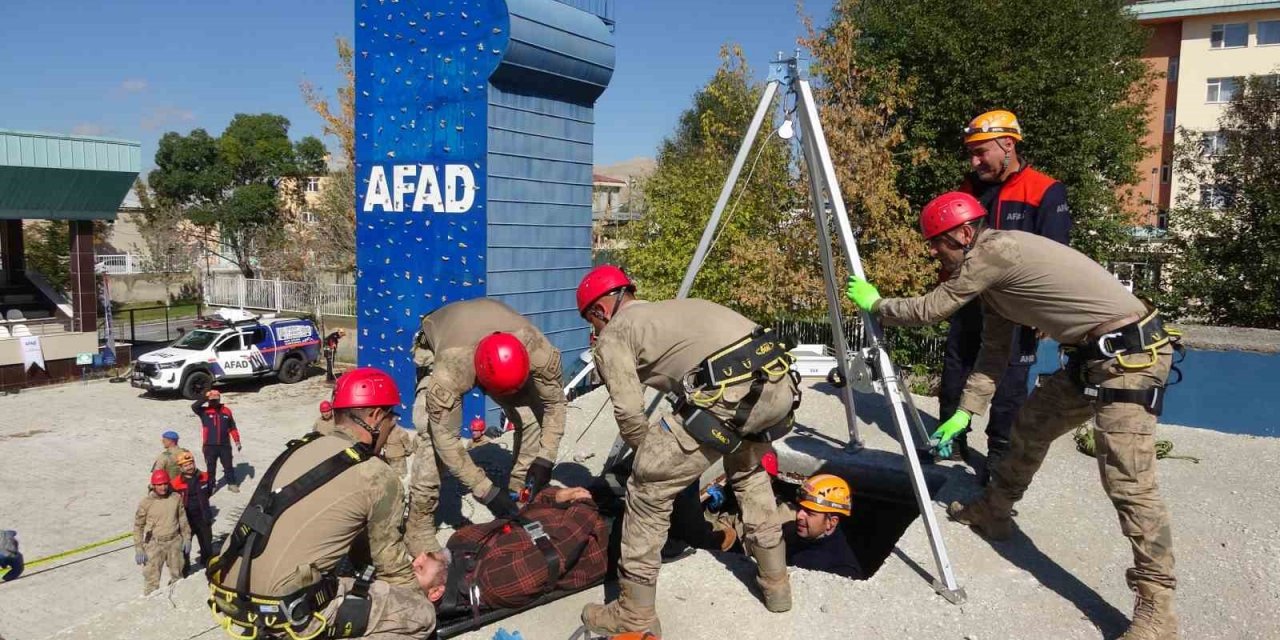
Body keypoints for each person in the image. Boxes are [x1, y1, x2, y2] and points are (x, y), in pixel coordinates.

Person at [846, 191, 1182, 639]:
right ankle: (994, 511)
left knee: (1128, 479)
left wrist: (876, 305)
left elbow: (930, 309)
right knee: (1030, 427)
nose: (933, 252)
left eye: (938, 242)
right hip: (1091, 359)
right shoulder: (996, 281)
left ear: (966, 233)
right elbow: (993, 354)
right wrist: (967, 411)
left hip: (1130, 360)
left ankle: (1157, 608)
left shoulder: (996, 250)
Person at [576, 265, 800, 636]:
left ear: (600, 309)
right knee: (748, 470)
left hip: (728, 393)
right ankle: (776, 585)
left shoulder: (616, 331)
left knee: (648, 489)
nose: (595, 331)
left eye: (593, 322)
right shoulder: (673, 309)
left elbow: (630, 413)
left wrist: (651, 460)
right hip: (778, 386)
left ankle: (633, 614)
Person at [207, 367, 436, 639]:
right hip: (285, 612)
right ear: (375, 417)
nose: (391, 428)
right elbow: (390, 564)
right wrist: (416, 594)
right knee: (421, 616)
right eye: (390, 419)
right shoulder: (375, 473)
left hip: (230, 593)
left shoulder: (300, 447)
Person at [940, 109, 1072, 483]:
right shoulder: (968, 189)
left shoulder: (1044, 190)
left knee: (1010, 380)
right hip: (969, 300)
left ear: (1008, 145)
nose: (974, 160)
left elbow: (1056, 254)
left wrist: (1046, 310)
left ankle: (999, 452)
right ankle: (950, 440)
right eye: (971, 153)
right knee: (956, 369)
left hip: (1016, 307)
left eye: (981, 152)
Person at [405, 298, 568, 556]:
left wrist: (545, 459)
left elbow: (555, 405)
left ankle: (521, 490)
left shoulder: (538, 350)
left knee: (528, 414)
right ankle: (419, 525)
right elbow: (445, 438)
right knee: (429, 432)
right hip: (440, 338)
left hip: (496, 339)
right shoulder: (451, 370)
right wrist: (486, 490)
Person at [415, 486, 609, 613]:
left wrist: (553, 497)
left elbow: (520, 518)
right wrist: (584, 504)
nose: (421, 556)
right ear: (436, 592)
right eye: (419, 569)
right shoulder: (496, 583)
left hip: (574, 512)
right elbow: (560, 550)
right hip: (597, 541)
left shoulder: (460, 541)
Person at [133, 469, 191, 595]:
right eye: (159, 484)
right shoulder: (146, 503)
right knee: (151, 580)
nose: (163, 487)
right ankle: (150, 602)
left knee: (178, 575)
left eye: (165, 483)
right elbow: (138, 526)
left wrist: (187, 537)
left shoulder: (176, 498)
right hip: (155, 544)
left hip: (174, 541)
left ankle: (177, 598)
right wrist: (139, 548)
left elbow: (182, 518)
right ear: (153, 485)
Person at [170, 451, 213, 570]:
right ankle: (184, 570)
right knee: (184, 548)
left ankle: (207, 566)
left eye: (191, 463)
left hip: (203, 518)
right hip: (185, 521)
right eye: (186, 465)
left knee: (207, 545)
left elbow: (209, 492)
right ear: (180, 467)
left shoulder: (205, 476)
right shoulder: (175, 484)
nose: (189, 467)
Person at [192, 389, 241, 494]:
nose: (213, 402)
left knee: (228, 465)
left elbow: (232, 427)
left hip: (225, 445)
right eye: (211, 400)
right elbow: (194, 406)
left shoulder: (227, 411)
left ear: (219, 399)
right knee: (211, 467)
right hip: (209, 446)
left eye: (215, 400)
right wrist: (205, 397)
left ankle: (231, 483)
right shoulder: (204, 411)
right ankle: (211, 485)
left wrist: (237, 441)